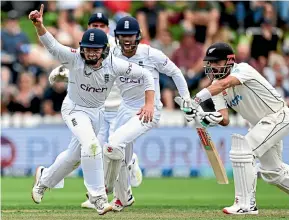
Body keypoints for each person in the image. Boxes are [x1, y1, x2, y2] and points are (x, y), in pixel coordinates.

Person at [51, 16, 192, 211]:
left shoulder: (151, 54)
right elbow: (87, 68)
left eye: (131, 36)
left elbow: (175, 72)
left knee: (113, 146)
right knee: (118, 155)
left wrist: (185, 99)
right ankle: (123, 198)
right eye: (123, 35)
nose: (127, 40)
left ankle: (105, 190)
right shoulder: (112, 54)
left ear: (138, 36)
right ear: (116, 36)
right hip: (124, 109)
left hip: (147, 110)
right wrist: (66, 75)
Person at [29, 5, 155, 215]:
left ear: (105, 50)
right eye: (87, 49)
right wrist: (39, 25)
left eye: (96, 49)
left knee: (73, 157)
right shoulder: (74, 57)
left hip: (96, 113)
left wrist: (149, 103)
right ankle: (98, 197)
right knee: (92, 145)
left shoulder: (115, 64)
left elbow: (146, 76)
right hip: (75, 110)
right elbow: (51, 45)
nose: (91, 53)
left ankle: (44, 179)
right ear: (82, 48)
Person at [176, 42, 289, 214]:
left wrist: (194, 101)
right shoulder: (217, 84)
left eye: (217, 62)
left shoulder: (242, 69)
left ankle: (245, 204)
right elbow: (225, 118)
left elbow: (223, 85)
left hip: (278, 116)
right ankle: (246, 203)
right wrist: (206, 118)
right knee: (273, 172)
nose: (213, 66)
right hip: (260, 126)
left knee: (244, 149)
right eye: (210, 63)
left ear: (229, 61)